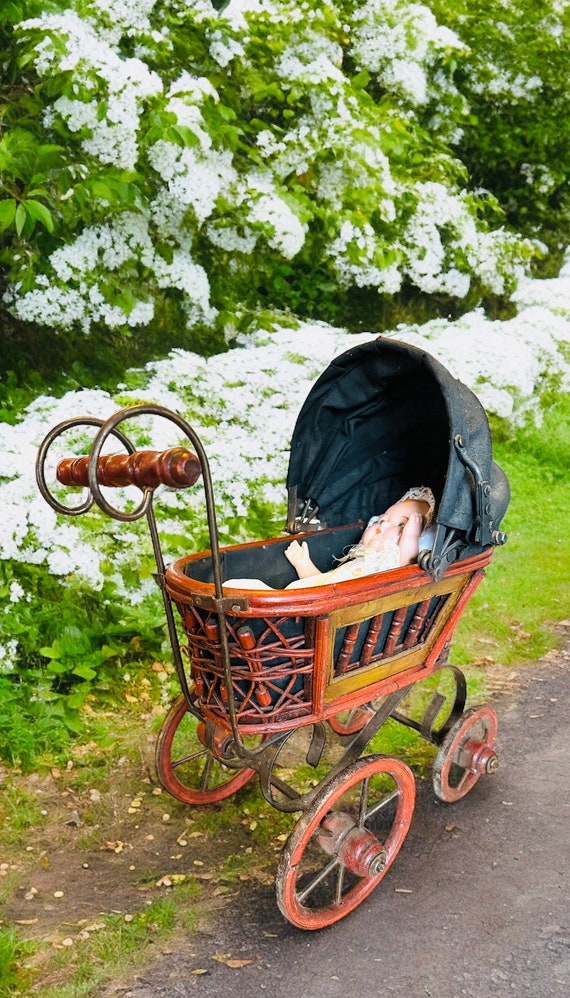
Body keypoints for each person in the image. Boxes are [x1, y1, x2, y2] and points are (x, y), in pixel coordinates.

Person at [223, 486, 435, 591]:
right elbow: (322, 582)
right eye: (381, 520)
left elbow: (407, 563)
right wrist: (303, 564)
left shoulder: (390, 569)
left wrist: (411, 535)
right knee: (242, 587)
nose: (381, 527)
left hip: (328, 612)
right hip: (312, 599)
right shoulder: (357, 565)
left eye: (402, 524)